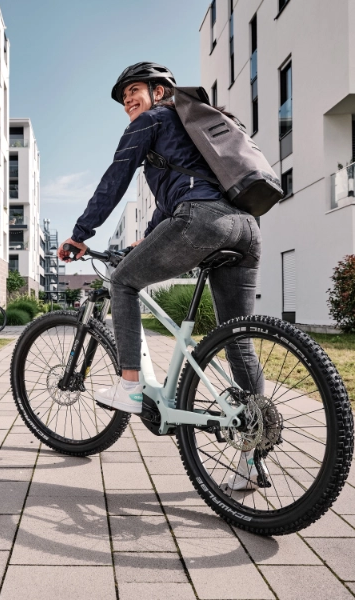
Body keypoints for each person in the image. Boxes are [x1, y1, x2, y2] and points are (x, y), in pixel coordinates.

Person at [59, 62, 262, 418]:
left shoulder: (152, 120)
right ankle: (257, 430)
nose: (128, 102)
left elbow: (115, 179)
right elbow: (175, 199)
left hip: (202, 222)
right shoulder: (191, 129)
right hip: (245, 228)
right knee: (236, 338)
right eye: (123, 97)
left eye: (133, 91)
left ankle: (130, 389)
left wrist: (80, 234)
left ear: (158, 92)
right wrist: (145, 241)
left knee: (122, 283)